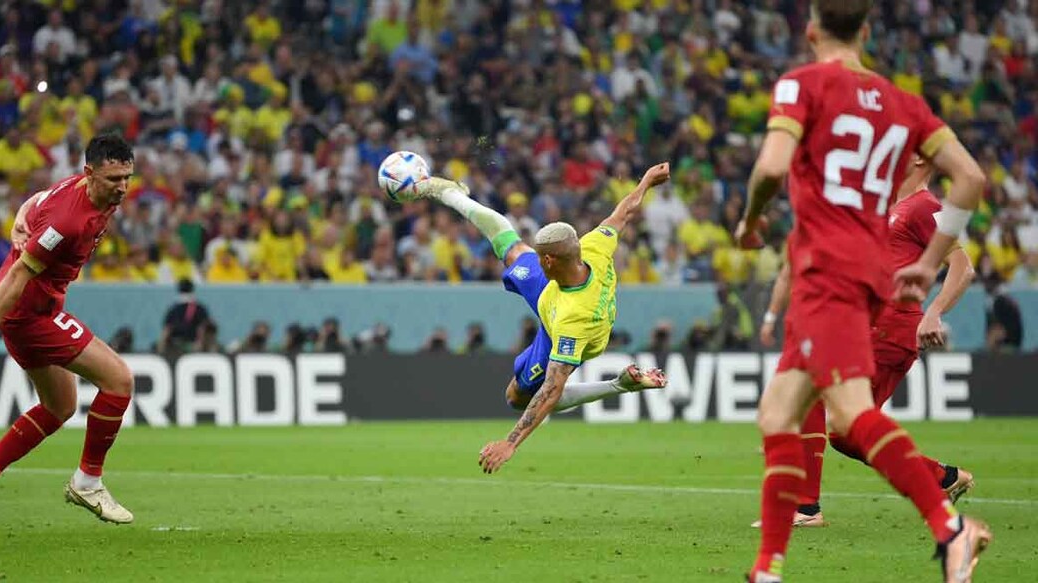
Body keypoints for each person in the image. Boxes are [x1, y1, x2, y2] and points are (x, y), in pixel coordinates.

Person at [732, 2, 991, 581]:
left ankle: (952, 532)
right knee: (778, 412)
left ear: (811, 30)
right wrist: (927, 264)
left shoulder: (801, 85)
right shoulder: (905, 105)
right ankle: (768, 568)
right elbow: (971, 179)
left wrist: (750, 222)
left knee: (848, 418)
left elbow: (772, 169)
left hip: (829, 271)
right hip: (863, 275)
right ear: (868, 33)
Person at [755, 156, 976, 529]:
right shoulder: (889, 208)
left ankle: (806, 507)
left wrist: (934, 313)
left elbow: (962, 267)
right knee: (846, 434)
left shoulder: (927, 207)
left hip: (892, 328)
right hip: (868, 326)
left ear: (919, 159)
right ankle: (940, 477)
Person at [411, 165, 672, 475]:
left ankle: (619, 385)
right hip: (555, 291)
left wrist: (510, 442)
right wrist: (646, 182)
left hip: (563, 323)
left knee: (517, 397)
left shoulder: (573, 323)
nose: (534, 258)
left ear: (548, 260)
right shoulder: (593, 247)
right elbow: (623, 213)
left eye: (539, 255)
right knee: (509, 245)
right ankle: (451, 194)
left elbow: (551, 390)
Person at [0, 134, 137, 542]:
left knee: (60, 406)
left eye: (126, 177)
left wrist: (19, 221)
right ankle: (88, 482)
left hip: (36, 310)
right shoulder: (69, 221)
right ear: (90, 174)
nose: (121, 187)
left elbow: (34, 201)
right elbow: (18, 276)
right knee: (119, 381)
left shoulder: (80, 188)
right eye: (113, 179)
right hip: (31, 314)